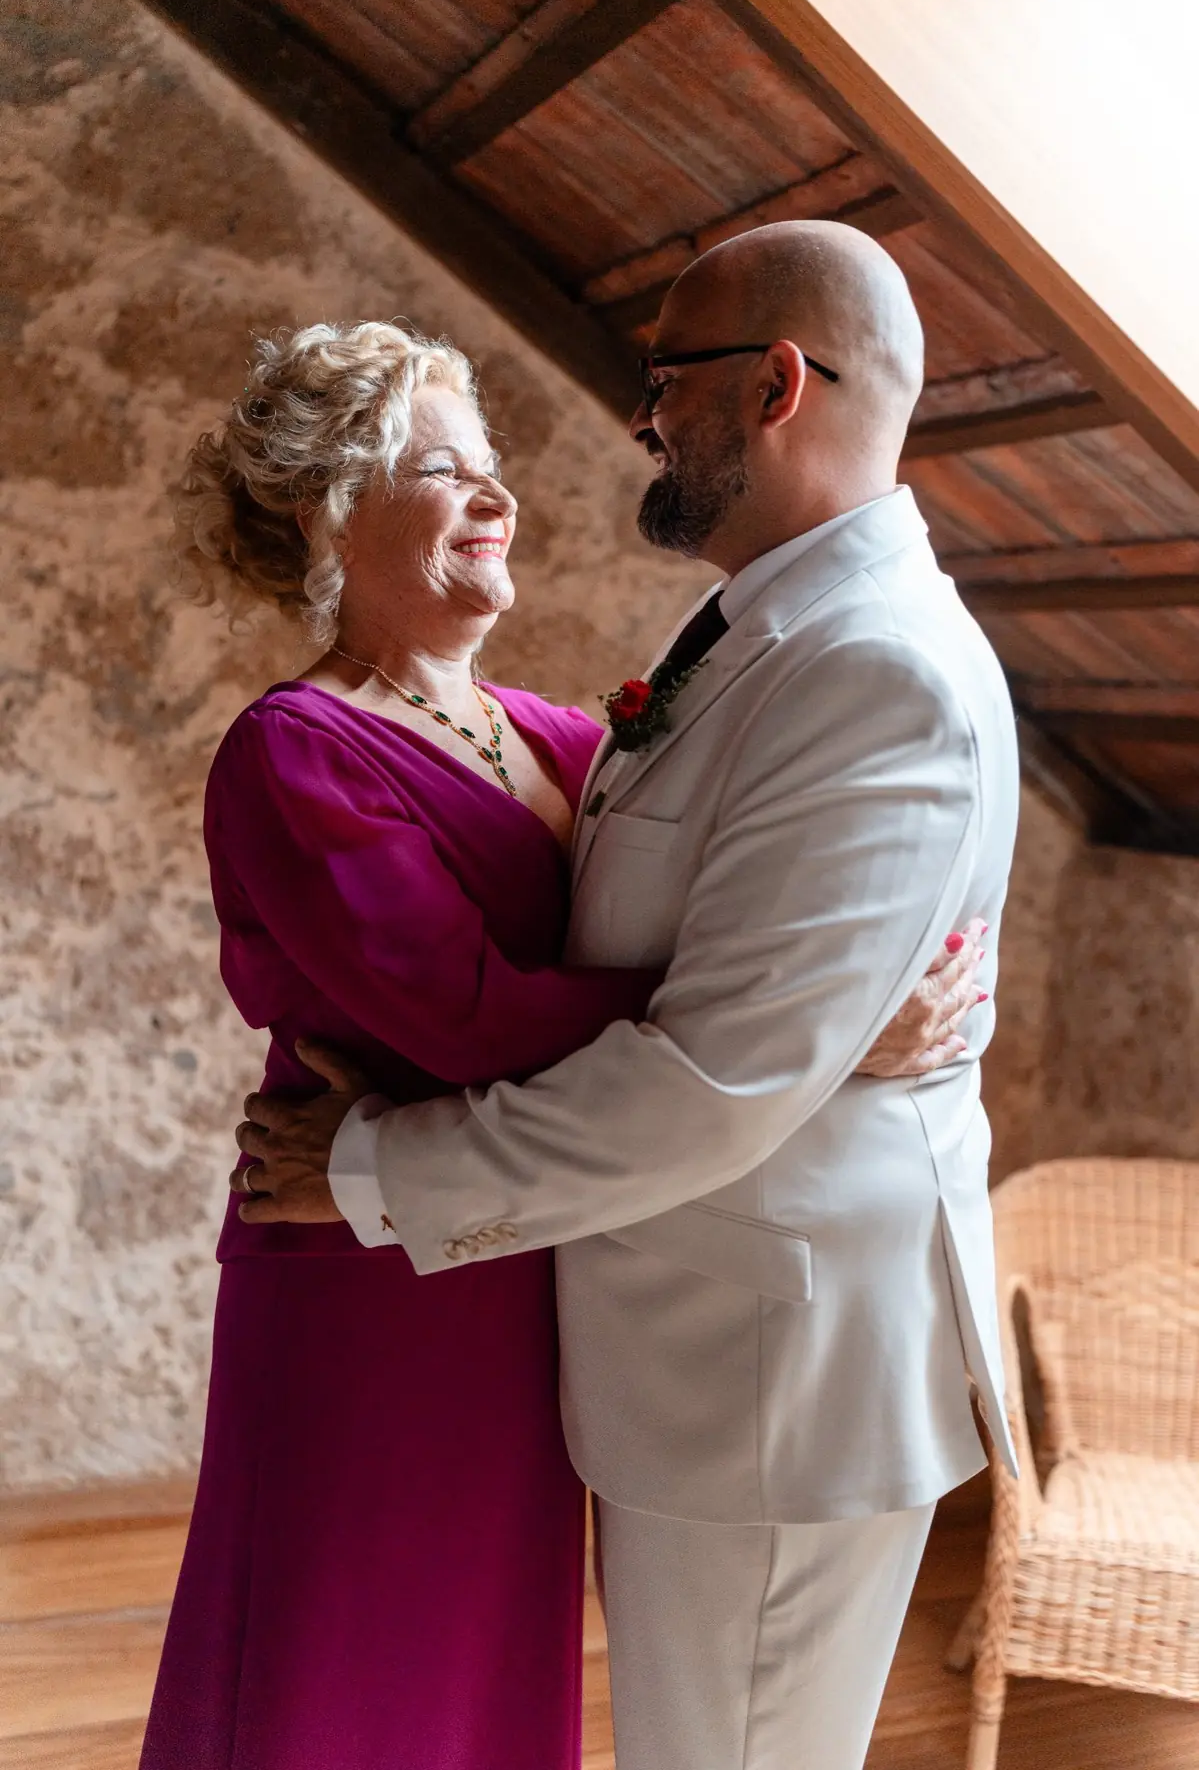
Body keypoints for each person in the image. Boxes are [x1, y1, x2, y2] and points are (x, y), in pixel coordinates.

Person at [236, 223, 1022, 1770]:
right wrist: (827, 1036)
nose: (637, 417)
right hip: (675, 1335)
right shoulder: (752, 632)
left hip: (773, 1380)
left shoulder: (875, 668)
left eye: (666, 377)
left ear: (778, 384)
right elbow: (724, 992)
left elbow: (718, 1072)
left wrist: (370, 1167)